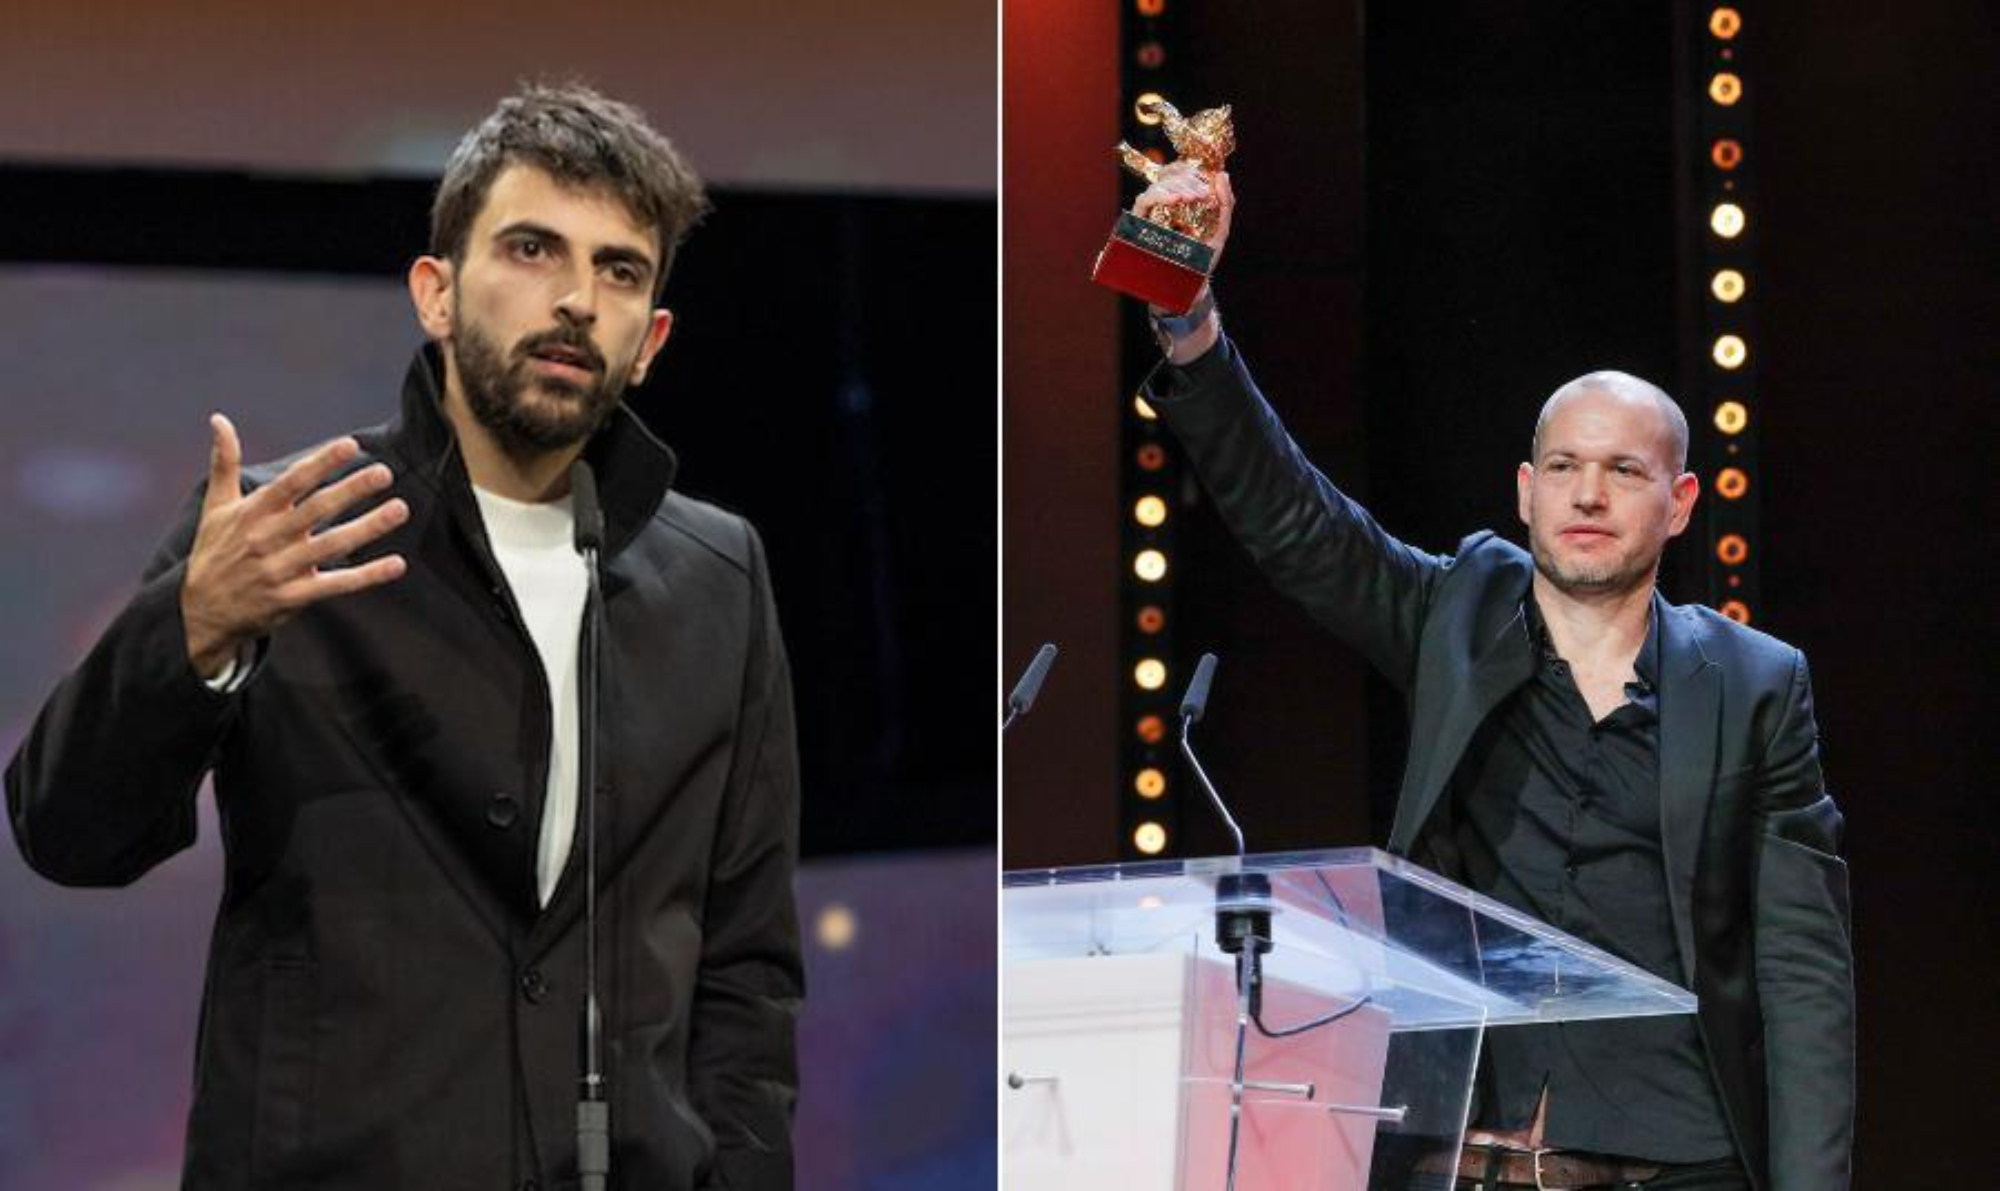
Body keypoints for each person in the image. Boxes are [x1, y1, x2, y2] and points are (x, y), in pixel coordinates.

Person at [6, 83, 801, 1191]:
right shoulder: (282, 529)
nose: (576, 300)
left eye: (619, 271)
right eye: (531, 249)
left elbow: (746, 966)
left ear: (650, 340)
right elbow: (70, 835)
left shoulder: (718, 577)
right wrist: (191, 632)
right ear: (436, 292)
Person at [1130, 166, 1853, 1190]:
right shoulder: (1452, 617)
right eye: (1562, 467)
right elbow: (1297, 522)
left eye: (1624, 471)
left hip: (1683, 1165)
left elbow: (1802, 971)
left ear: (1681, 501)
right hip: (1467, 1156)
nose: (1587, 494)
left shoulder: (1754, 685)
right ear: (1525, 491)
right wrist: (1189, 319)